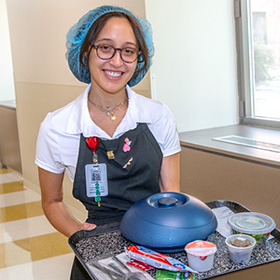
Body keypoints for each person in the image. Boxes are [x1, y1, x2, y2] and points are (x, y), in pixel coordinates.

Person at [35, 5, 181, 279]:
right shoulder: (57, 127)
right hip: (96, 251)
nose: (116, 62)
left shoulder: (157, 116)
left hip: (156, 243)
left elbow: (170, 194)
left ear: (139, 58)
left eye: (128, 50)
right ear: (86, 51)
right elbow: (52, 201)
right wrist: (78, 232)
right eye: (105, 47)